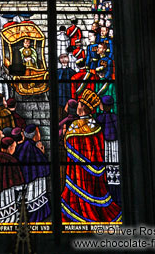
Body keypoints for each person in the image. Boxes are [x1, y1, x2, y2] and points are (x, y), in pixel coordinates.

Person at [61, 89, 121, 223]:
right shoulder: (96, 126)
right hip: (95, 175)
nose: (77, 107)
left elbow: (68, 144)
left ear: (83, 108)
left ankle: (78, 212)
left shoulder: (75, 126)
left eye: (79, 104)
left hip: (78, 173)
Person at [15, 124, 51, 222]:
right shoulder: (35, 149)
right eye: (38, 132)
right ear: (35, 135)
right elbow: (44, 168)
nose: (39, 135)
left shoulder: (19, 147)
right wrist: (42, 153)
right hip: (34, 186)